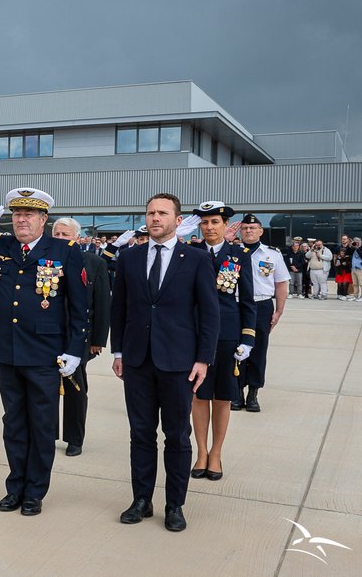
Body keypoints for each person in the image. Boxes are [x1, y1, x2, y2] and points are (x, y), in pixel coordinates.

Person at [0, 189, 87, 516]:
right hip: (8, 350)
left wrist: (75, 349)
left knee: (41, 425)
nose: (22, 219)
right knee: (13, 423)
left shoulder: (65, 250)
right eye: (17, 214)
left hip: (45, 353)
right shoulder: (1, 246)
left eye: (29, 214)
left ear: (43, 219)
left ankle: (35, 492)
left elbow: (80, 305)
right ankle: (15, 486)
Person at [111, 192, 218, 532]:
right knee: (141, 433)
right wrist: (118, 352)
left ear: (176, 219)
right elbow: (120, 308)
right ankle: (141, 499)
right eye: (150, 213)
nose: (155, 218)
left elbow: (209, 312)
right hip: (138, 361)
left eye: (162, 213)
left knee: (176, 435)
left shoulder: (197, 259)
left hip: (179, 362)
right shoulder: (130, 258)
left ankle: (175, 504)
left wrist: (204, 358)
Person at [187, 202, 255, 482]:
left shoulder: (239, 255)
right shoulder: (189, 253)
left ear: (226, 225)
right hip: (194, 332)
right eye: (204, 223)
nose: (210, 227)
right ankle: (201, 452)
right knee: (198, 395)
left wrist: (247, 338)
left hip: (227, 334)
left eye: (215, 222)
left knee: (222, 396)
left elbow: (248, 300)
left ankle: (216, 453)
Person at [50, 217, 111, 458]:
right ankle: (48, 433)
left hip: (79, 337)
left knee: (76, 389)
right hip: (48, 335)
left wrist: (98, 339)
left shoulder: (93, 262)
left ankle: (75, 438)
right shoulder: (44, 261)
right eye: (57, 235)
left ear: (76, 238)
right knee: (47, 389)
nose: (61, 239)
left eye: (66, 235)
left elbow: (103, 303)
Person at [234, 215, 290, 412]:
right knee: (237, 349)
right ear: (240, 231)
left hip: (261, 305)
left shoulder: (272, 255)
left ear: (261, 231)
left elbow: (281, 283)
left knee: (258, 350)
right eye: (245, 228)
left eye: (253, 227)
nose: (248, 231)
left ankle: (253, 393)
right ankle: (237, 392)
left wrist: (279, 310)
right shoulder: (232, 252)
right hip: (237, 306)